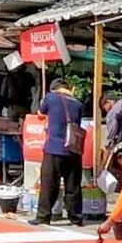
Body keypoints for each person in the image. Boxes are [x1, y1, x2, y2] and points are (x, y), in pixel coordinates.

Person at [28, 77, 83, 227]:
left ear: (54, 88)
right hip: (74, 149)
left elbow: (39, 114)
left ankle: (43, 216)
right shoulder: (78, 103)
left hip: (54, 148)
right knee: (73, 186)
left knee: (49, 184)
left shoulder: (51, 98)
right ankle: (76, 217)